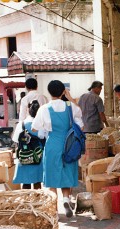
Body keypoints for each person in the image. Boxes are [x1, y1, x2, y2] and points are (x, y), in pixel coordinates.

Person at [32, 80, 83, 218]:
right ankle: (66, 200)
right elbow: (81, 125)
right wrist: (70, 98)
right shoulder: (70, 106)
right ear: (63, 92)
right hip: (69, 145)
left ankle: (54, 210)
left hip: (52, 144)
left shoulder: (44, 108)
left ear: (49, 92)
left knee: (52, 175)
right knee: (66, 172)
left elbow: (34, 128)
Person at [12, 100, 46, 190]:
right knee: (37, 183)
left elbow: (15, 139)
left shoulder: (21, 124)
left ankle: (26, 201)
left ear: (28, 111)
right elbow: (43, 137)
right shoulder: (41, 124)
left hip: (24, 156)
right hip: (37, 156)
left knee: (25, 183)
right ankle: (37, 202)